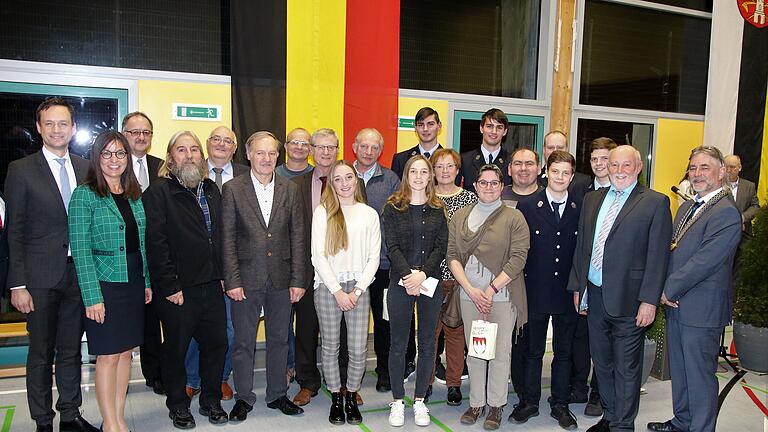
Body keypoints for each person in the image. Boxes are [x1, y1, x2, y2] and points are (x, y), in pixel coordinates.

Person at [6, 97, 98, 432]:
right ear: (39, 127)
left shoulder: (87, 168)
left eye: (63, 124)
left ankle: (70, 416)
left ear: (73, 128)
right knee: (41, 355)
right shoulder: (21, 170)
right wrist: (17, 284)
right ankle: (43, 421)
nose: (56, 130)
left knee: (72, 350)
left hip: (79, 276)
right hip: (39, 279)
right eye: (49, 124)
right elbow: (14, 232)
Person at [568, 145, 672, 432]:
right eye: (614, 165)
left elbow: (658, 256)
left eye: (626, 165)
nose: (619, 171)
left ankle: (624, 426)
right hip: (596, 295)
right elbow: (582, 249)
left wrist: (649, 301)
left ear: (639, 168)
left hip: (631, 300)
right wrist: (579, 287)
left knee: (626, 368)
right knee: (602, 364)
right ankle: (611, 417)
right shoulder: (592, 199)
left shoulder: (655, 202)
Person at [648, 146, 742, 432]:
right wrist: (663, 286)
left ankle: (700, 427)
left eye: (705, 167)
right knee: (682, 371)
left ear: (722, 172)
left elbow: (705, 261)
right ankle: (682, 421)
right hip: (678, 304)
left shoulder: (726, 213)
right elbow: (673, 250)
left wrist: (667, 289)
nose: (697, 174)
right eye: (693, 168)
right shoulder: (690, 206)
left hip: (701, 310)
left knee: (699, 376)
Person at [144, 131, 228, 429]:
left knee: (217, 344)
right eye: (182, 150)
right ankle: (178, 405)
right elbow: (156, 243)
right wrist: (170, 285)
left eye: (194, 149)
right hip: (178, 288)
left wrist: (222, 275)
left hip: (212, 284)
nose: (189, 155)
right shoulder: (159, 192)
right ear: (170, 157)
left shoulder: (210, 189)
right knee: (176, 349)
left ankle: (211, 400)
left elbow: (219, 236)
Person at [68, 131, 151, 432]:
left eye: (120, 154)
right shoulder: (84, 195)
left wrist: (146, 282)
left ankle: (116, 418)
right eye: (107, 154)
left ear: (128, 159)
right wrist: (92, 296)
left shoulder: (133, 193)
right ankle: (111, 423)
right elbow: (80, 250)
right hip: (104, 283)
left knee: (126, 352)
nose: (114, 160)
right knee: (107, 355)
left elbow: (140, 243)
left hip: (132, 281)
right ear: (97, 157)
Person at [221, 131, 306, 422]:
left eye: (271, 153)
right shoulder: (232, 189)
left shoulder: (290, 189)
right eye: (260, 152)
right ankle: (244, 397)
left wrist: (298, 279)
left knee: (280, 340)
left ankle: (277, 394)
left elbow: (298, 236)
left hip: (282, 279)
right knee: (243, 342)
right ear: (247, 154)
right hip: (245, 279)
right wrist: (232, 281)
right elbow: (227, 239)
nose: (266, 158)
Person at [447, 164, 530, 431]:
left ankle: (495, 405)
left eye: (495, 183)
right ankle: (476, 403)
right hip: (470, 295)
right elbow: (452, 256)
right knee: (477, 351)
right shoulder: (460, 216)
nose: (489, 187)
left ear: (501, 186)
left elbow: (518, 258)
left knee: (499, 353)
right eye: (484, 182)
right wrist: (470, 290)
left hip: (502, 296)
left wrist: (491, 290)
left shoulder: (514, 218)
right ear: (475, 185)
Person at [514, 150, 581, 430]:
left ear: (572, 176)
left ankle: (560, 404)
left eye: (566, 173)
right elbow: (520, 249)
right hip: (535, 290)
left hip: (567, 292)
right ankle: (529, 402)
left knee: (564, 353)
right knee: (533, 351)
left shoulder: (581, 207)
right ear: (546, 172)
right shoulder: (528, 205)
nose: (560, 177)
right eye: (556, 172)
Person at [291, 128, 357, 406]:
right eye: (320, 147)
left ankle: (345, 385)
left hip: (344, 272)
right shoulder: (298, 185)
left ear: (338, 150)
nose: (326, 152)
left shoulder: (349, 182)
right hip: (309, 270)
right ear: (311, 150)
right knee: (306, 329)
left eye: (331, 147)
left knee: (343, 332)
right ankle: (308, 383)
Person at [312, 160, 380, 425]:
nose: (344, 183)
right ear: (332, 183)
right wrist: (338, 291)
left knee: (358, 347)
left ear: (356, 180)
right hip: (329, 288)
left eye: (348, 177)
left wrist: (359, 289)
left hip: (359, 288)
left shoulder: (368, 213)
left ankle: (351, 395)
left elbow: (374, 256)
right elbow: (318, 256)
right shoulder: (323, 212)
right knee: (330, 347)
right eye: (337, 179)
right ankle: (336, 398)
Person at [382, 155, 448, 428]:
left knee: (428, 343)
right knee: (398, 342)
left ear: (430, 176)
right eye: (414, 171)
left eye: (424, 172)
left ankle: (420, 400)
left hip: (430, 281)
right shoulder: (393, 208)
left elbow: (440, 247)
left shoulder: (437, 208)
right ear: (406, 175)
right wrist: (410, 276)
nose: (419, 176)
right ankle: (398, 400)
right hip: (400, 281)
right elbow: (392, 246)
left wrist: (423, 274)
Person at [184, 125, 248, 401]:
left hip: (236, 266)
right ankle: (192, 378)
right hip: (199, 267)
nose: (222, 144)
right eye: (216, 139)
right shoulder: (191, 172)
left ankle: (221, 376)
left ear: (235, 148)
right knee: (196, 327)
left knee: (230, 329)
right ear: (207, 144)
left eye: (228, 141)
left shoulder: (248, 175)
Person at [351, 128, 402, 393]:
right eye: (364, 146)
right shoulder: (344, 176)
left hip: (382, 266)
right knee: (349, 324)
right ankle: (348, 375)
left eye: (374, 148)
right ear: (354, 147)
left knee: (383, 323)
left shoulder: (391, 179)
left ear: (380, 151)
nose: (368, 152)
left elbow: (396, 221)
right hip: (350, 267)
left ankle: (384, 371)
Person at [571, 137, 617, 418]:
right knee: (581, 338)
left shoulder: (626, 193)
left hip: (611, 283)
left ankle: (599, 394)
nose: (600, 165)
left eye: (605, 159)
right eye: (595, 159)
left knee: (605, 343)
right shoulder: (581, 189)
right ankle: (578, 385)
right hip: (585, 277)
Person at [430, 149, 478, 406]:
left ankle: (454, 384)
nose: (445, 171)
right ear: (433, 170)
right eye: (440, 166)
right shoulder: (425, 197)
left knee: (456, 333)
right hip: (430, 278)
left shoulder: (470, 199)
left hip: (459, 277)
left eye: (450, 166)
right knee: (428, 334)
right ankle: (425, 383)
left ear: (458, 170)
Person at [121, 111, 164, 395]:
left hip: (158, 253)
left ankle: (155, 373)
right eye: (134, 132)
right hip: (126, 256)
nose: (140, 137)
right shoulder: (112, 165)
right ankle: (118, 374)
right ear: (124, 134)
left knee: (154, 318)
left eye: (146, 132)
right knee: (127, 319)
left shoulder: (161, 166)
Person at [459, 108, 512, 193]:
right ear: (481, 128)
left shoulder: (511, 162)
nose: (494, 131)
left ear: (505, 131)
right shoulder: (464, 160)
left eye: (499, 127)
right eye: (489, 126)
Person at [391, 107, 443, 179]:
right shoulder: (400, 160)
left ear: (439, 126)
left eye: (430, 124)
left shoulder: (449, 161)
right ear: (415, 128)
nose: (425, 129)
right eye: (421, 125)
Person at [537, 131, 590, 196]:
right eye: (551, 148)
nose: (555, 151)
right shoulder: (534, 179)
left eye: (560, 148)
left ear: (567, 149)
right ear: (544, 149)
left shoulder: (583, 182)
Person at [724, 154, 760, 236]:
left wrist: (742, 218)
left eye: (732, 167)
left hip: (743, 233)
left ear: (739, 168)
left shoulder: (749, 186)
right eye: (726, 167)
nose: (728, 170)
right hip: (721, 233)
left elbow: (755, 206)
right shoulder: (716, 185)